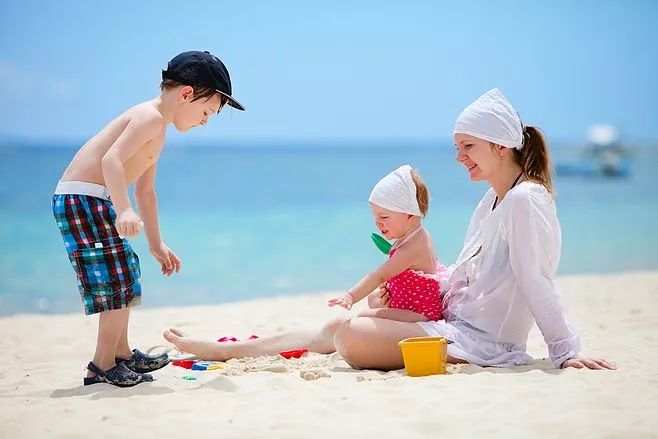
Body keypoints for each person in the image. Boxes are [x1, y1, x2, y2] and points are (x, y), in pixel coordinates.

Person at [163, 88, 614, 371]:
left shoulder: (523, 200)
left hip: (484, 343)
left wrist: (564, 350)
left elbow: (536, 278)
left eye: (468, 147)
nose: (460, 158)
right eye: (458, 148)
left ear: (500, 145)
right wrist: (418, 288)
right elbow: (473, 272)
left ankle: (234, 349)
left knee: (352, 334)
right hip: (454, 322)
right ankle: (234, 349)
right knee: (343, 322)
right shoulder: (493, 199)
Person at [53, 51, 245, 387]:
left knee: (126, 272)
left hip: (96, 199)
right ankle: (101, 365)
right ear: (187, 94)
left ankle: (122, 354)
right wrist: (123, 210)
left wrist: (156, 243)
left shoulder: (159, 128)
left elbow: (146, 191)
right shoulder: (150, 118)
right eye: (206, 112)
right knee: (114, 281)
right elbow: (112, 160)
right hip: (83, 198)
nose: (204, 121)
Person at [328, 165, 446, 323]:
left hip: (419, 314)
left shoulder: (414, 246)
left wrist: (350, 296)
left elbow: (379, 275)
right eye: (375, 217)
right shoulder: (409, 236)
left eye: (384, 217)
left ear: (410, 214)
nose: (377, 223)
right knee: (372, 300)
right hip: (407, 305)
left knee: (361, 317)